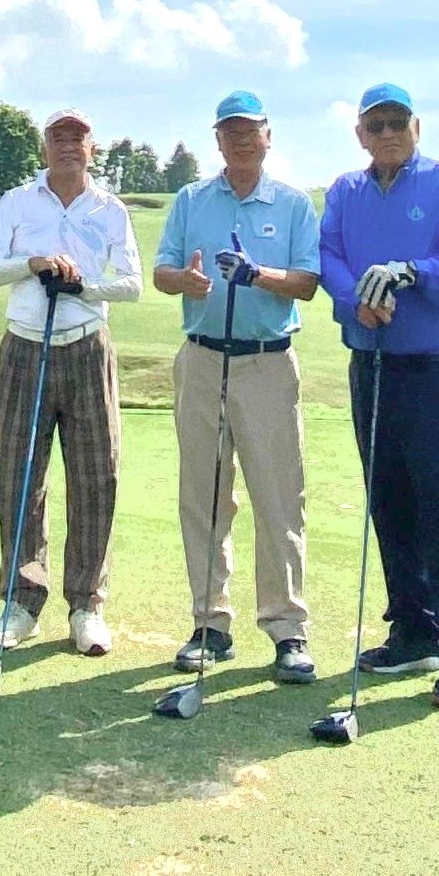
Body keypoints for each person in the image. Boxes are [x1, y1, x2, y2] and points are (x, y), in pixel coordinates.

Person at [318, 81, 439, 710]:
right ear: (361, 134)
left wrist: (411, 273)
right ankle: (414, 631)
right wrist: (357, 301)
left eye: (399, 123)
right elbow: (329, 256)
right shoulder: (345, 191)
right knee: (391, 501)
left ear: (416, 128)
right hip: (372, 363)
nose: (389, 133)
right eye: (377, 125)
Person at [152, 90, 322, 684]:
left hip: (266, 363)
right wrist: (186, 281)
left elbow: (306, 283)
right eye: (230, 131)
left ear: (268, 136)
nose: (242, 139)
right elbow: (162, 271)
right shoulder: (191, 199)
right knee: (204, 495)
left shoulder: (293, 203)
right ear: (218, 140)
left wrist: (257, 275)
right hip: (202, 360)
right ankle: (210, 624)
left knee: (279, 497)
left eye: (251, 130)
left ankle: (286, 626)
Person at [0, 108, 142, 657]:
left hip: (88, 345)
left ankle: (87, 603)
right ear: (44, 147)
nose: (68, 145)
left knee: (96, 475)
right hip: (25, 345)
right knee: (18, 474)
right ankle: (21, 602)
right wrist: (34, 263)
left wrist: (86, 287)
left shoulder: (110, 209)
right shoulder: (17, 202)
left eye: (78, 137)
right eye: (58, 137)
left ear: (93, 149)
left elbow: (132, 284)